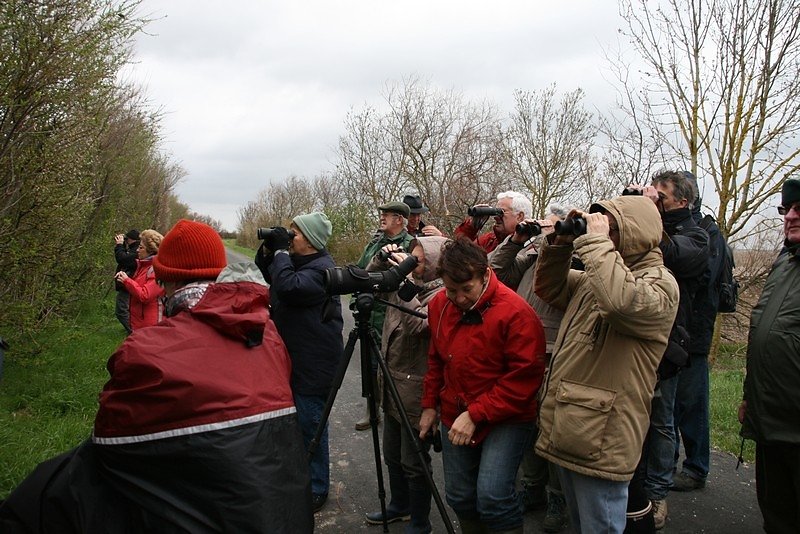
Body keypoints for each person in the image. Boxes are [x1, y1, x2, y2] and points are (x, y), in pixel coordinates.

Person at [0, 219, 313, 533]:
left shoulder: (144, 350)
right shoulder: (268, 336)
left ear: (166, 280)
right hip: (282, 515)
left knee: (59, 489)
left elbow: (109, 448)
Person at [534, 196, 679, 534]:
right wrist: (559, 243)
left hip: (604, 436)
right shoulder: (595, 279)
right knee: (582, 524)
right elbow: (548, 286)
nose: (602, 233)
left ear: (636, 233)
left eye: (609, 228)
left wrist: (596, 243)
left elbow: (620, 304)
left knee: (601, 527)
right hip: (572, 423)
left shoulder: (661, 284)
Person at [419, 237, 546, 534]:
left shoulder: (517, 313)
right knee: (460, 496)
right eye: (451, 290)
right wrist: (429, 406)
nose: (459, 298)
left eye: (466, 289)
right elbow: (437, 359)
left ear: (485, 274)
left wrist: (476, 414)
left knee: (493, 496)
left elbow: (524, 378)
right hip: (456, 410)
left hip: (508, 416)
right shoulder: (440, 304)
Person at [624, 172, 709, 531]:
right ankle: (630, 486)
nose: (654, 199)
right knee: (631, 414)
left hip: (669, 342)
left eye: (661, 195)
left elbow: (673, 254)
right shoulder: (654, 222)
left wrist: (648, 214)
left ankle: (657, 494)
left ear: (682, 202)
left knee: (661, 420)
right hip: (634, 333)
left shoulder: (697, 234)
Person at [490, 203, 573, 532]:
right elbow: (493, 272)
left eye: (553, 227)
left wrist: (557, 245)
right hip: (518, 349)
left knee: (550, 428)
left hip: (553, 353)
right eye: (545, 227)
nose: (545, 232)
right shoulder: (529, 257)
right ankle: (533, 487)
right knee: (524, 423)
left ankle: (556, 497)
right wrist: (517, 241)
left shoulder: (572, 260)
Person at [254, 212, 344, 514]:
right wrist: (270, 249)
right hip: (295, 357)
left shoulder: (322, 269)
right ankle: (299, 479)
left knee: (310, 424)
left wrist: (281, 251)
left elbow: (289, 287)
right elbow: (272, 275)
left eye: (295, 232)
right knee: (295, 424)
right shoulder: (302, 262)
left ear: (312, 240)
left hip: (313, 363)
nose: (290, 236)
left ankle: (317, 487)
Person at [364, 236, 449, 533]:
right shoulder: (405, 282)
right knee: (392, 456)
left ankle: (420, 521)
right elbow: (370, 282)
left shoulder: (442, 296)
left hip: (416, 392)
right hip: (391, 382)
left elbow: (417, 326)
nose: (412, 264)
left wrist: (403, 282)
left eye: (419, 260)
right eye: (410, 258)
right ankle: (399, 506)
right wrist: (382, 258)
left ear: (437, 265)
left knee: (413, 461)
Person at [739, 177, 800, 534]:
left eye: (799, 210)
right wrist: (750, 396)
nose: (790, 217)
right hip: (771, 416)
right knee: (777, 514)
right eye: (786, 209)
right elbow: (764, 334)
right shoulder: (785, 263)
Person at [671, 171, 725, 493]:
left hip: (695, 332)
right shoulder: (681, 230)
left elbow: (703, 283)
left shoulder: (707, 234)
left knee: (692, 401)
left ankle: (696, 467)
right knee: (674, 402)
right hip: (678, 331)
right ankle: (672, 461)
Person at [353, 201, 415, 431]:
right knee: (369, 363)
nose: (382, 218)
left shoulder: (410, 244)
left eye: (387, 215)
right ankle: (372, 408)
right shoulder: (375, 241)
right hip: (371, 311)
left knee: (394, 364)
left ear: (399, 219)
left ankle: (396, 410)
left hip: (393, 312)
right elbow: (360, 268)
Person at [114, 229, 165, 332]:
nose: (137, 250)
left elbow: (145, 295)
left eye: (141, 248)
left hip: (150, 326)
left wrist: (126, 280)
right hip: (139, 323)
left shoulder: (156, 269)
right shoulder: (142, 266)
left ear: (151, 250)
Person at [454, 191, 531, 254]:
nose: (496, 217)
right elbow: (459, 256)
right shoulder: (489, 240)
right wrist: (471, 227)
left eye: (502, 212)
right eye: (495, 212)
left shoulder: (531, 245)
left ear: (519, 216)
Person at [113, 229, 140, 334]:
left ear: (132, 239)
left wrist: (119, 245)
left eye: (127, 239)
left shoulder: (137, 250)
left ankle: (134, 332)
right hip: (129, 283)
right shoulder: (135, 249)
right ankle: (134, 330)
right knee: (129, 309)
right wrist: (122, 246)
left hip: (129, 284)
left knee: (121, 310)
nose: (126, 240)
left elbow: (122, 259)